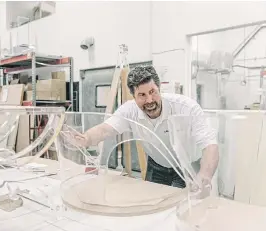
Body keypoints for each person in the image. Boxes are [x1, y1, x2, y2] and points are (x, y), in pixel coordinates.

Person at [74, 65, 219, 190]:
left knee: (181, 208)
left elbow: (210, 146)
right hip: (156, 166)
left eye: (152, 92)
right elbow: (105, 129)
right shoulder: (129, 110)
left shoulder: (186, 108)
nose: (149, 100)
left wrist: (204, 177)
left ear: (159, 88)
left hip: (186, 167)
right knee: (154, 204)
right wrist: (85, 139)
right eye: (142, 95)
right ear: (134, 96)